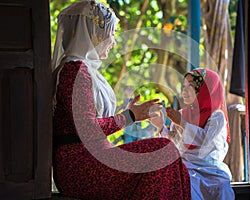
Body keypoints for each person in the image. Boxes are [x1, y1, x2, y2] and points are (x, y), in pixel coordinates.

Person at [51, 1, 191, 199]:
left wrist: (128, 114)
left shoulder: (84, 70)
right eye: (111, 34)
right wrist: (130, 116)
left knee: (170, 157)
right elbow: (88, 129)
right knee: (163, 150)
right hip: (80, 165)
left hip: (94, 159)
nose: (113, 42)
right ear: (94, 35)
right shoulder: (74, 71)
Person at [151, 68, 235, 200]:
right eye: (184, 86)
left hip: (210, 168)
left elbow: (206, 141)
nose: (184, 91)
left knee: (222, 186)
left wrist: (182, 123)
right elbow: (175, 145)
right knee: (186, 185)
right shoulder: (182, 114)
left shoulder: (216, 116)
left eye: (191, 86)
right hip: (187, 167)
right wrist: (161, 127)